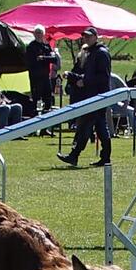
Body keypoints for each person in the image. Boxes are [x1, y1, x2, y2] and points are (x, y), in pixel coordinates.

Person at [57, 27, 112, 167]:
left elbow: (103, 77)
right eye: (84, 37)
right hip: (93, 95)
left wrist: (85, 81)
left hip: (98, 96)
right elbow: (89, 75)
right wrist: (74, 77)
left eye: (88, 36)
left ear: (95, 37)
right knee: (100, 127)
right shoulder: (92, 53)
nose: (86, 39)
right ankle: (105, 158)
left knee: (85, 125)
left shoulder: (101, 53)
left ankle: (74, 155)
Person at [25, 24, 55, 114]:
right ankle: (34, 119)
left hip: (46, 77)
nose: (38, 34)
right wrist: (44, 59)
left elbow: (54, 59)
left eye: (40, 33)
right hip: (35, 78)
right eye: (37, 32)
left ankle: (47, 121)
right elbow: (30, 62)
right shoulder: (30, 47)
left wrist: (42, 58)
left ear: (43, 34)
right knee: (36, 99)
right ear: (34, 34)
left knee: (48, 97)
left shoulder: (46, 46)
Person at [109, 73, 136, 138]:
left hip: (114, 104)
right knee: (108, 111)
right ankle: (111, 134)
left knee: (131, 110)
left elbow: (126, 90)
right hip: (99, 104)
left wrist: (125, 104)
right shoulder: (97, 77)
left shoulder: (114, 77)